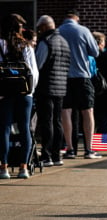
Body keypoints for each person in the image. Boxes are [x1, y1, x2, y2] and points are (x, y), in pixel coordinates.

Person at [59, 9, 102, 159]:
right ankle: (89, 149)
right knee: (88, 111)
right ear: (77, 18)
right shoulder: (83, 30)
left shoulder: (58, 31)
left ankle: (70, 148)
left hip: (63, 77)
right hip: (82, 75)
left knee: (66, 112)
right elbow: (95, 53)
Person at [0, 13, 39, 179]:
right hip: (25, 93)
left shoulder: (0, 45)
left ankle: (4, 167)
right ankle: (23, 167)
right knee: (25, 129)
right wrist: (30, 90)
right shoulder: (27, 47)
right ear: (19, 28)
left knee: (4, 129)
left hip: (4, 93)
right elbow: (34, 72)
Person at [35, 15, 70, 166]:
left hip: (46, 87)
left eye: (39, 28)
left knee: (46, 122)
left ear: (44, 27)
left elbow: (38, 65)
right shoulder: (64, 42)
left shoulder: (46, 42)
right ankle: (57, 156)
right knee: (57, 122)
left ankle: (46, 155)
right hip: (61, 87)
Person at [92, 31, 107, 134]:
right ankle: (102, 145)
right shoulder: (105, 57)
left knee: (95, 118)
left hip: (92, 90)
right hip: (105, 91)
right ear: (100, 43)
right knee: (104, 118)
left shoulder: (90, 55)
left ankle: (92, 144)